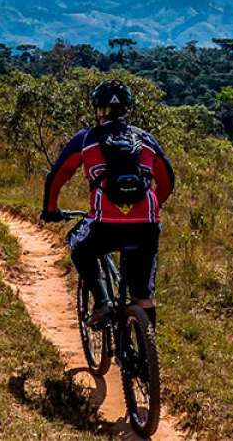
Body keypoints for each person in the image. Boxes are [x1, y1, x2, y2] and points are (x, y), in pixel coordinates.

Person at [40, 80, 174, 329]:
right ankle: (147, 355)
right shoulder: (145, 139)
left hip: (104, 224)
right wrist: (157, 204)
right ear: (127, 109)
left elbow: (57, 176)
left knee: (78, 246)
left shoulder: (86, 139)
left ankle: (103, 302)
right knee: (143, 295)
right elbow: (167, 179)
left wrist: (50, 210)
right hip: (146, 225)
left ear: (97, 109)